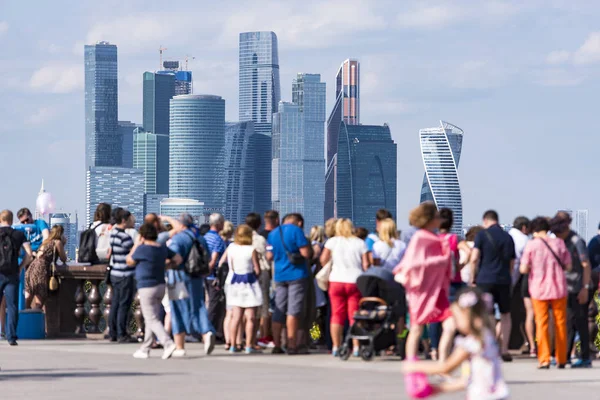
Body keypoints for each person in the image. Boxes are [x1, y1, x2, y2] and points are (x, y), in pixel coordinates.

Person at [403, 288, 509, 400]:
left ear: (469, 316)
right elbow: (466, 381)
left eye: (457, 317)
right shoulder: (487, 338)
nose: (456, 322)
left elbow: (446, 367)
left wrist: (413, 366)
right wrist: (437, 389)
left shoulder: (471, 344)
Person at [393, 202, 455, 365]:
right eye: (436, 217)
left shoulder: (433, 238)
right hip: (421, 290)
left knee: (450, 324)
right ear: (429, 219)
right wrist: (441, 260)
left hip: (437, 289)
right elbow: (413, 263)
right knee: (417, 327)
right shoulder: (421, 238)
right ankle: (412, 364)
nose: (439, 219)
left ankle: (442, 361)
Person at [519, 217, 571, 369]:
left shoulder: (531, 245)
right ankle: (561, 358)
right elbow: (568, 266)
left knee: (541, 323)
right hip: (559, 287)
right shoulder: (559, 243)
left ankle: (544, 359)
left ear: (534, 229)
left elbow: (523, 269)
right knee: (560, 323)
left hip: (538, 288)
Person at [162, 214, 215, 357]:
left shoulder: (178, 238)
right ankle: (206, 332)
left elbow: (174, 258)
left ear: (181, 224)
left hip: (177, 276)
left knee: (177, 309)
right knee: (198, 306)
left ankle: (180, 346)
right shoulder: (199, 238)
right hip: (196, 277)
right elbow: (208, 258)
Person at [127, 222, 181, 359]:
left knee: (151, 319)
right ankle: (145, 348)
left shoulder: (142, 249)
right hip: (161, 285)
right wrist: (166, 266)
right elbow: (178, 259)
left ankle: (167, 343)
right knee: (153, 318)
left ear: (143, 235)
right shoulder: (161, 248)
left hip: (146, 286)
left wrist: (136, 245)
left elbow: (129, 261)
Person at [468, 210, 516, 361]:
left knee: (484, 314)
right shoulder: (508, 237)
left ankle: (486, 347)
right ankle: (504, 349)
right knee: (505, 314)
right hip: (503, 280)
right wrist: (507, 276)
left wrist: (472, 277)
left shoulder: (481, 235)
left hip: (484, 279)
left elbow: (474, 258)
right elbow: (512, 262)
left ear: (485, 220)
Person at [320, 219, 369, 357]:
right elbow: (366, 265)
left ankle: (336, 346)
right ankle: (356, 347)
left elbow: (323, 260)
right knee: (354, 315)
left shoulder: (332, 242)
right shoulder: (360, 243)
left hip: (336, 280)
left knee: (337, 315)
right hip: (355, 281)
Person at [266, 213, 313, 354]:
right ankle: (292, 345)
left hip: (280, 275)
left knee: (278, 309)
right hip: (297, 274)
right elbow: (305, 253)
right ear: (299, 222)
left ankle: (277, 344)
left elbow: (269, 256)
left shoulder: (273, 233)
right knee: (293, 310)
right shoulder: (297, 231)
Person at [551, 212, 593, 368]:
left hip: (579, 287)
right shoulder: (561, 241)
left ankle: (585, 357)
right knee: (567, 322)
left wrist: (585, 288)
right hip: (566, 288)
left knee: (581, 322)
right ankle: (565, 355)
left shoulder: (576, 241)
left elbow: (586, 265)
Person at [427, 208, 464, 362]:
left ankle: (434, 349)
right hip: (454, 282)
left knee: (436, 316)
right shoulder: (455, 239)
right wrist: (461, 266)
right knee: (455, 316)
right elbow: (470, 253)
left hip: (437, 283)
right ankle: (452, 348)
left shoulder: (433, 239)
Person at [225, 224, 263, 354]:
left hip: (235, 282)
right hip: (249, 282)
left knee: (236, 316)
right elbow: (257, 269)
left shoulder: (231, 248)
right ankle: (248, 345)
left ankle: (233, 344)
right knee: (251, 316)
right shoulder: (251, 249)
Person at [0, 210, 33, 346]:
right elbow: (29, 254)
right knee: (12, 306)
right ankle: (11, 337)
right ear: (12, 220)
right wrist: (20, 267)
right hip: (12, 273)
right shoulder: (19, 234)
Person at [108, 208, 136, 343]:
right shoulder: (125, 237)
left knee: (115, 303)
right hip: (125, 274)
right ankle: (122, 333)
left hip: (115, 273)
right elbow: (134, 254)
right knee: (124, 304)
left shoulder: (112, 234)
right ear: (124, 220)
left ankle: (113, 332)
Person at [245, 212, 273, 347]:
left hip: (244, 274)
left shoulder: (241, 239)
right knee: (263, 307)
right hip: (261, 272)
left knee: (246, 307)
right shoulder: (260, 239)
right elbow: (267, 257)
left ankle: (244, 338)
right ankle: (263, 336)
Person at [508, 216, 534, 356]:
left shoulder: (508, 236)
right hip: (518, 281)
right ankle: (528, 343)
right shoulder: (525, 240)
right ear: (524, 228)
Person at [25, 225, 67, 309]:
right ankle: (35, 318)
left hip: (32, 267)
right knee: (40, 298)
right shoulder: (57, 242)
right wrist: (63, 243)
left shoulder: (46, 241)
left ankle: (25, 318)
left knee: (29, 294)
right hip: (41, 268)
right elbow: (64, 258)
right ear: (60, 233)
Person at [204, 213, 227, 342]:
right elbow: (213, 260)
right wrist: (211, 273)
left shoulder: (205, 237)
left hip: (204, 276)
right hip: (214, 276)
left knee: (209, 303)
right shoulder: (218, 240)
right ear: (219, 224)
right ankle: (210, 331)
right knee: (215, 304)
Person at [310, 226, 328, 346]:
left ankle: (315, 336)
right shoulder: (321, 246)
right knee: (318, 313)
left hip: (313, 280)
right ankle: (317, 336)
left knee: (315, 313)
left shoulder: (313, 246)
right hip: (318, 281)